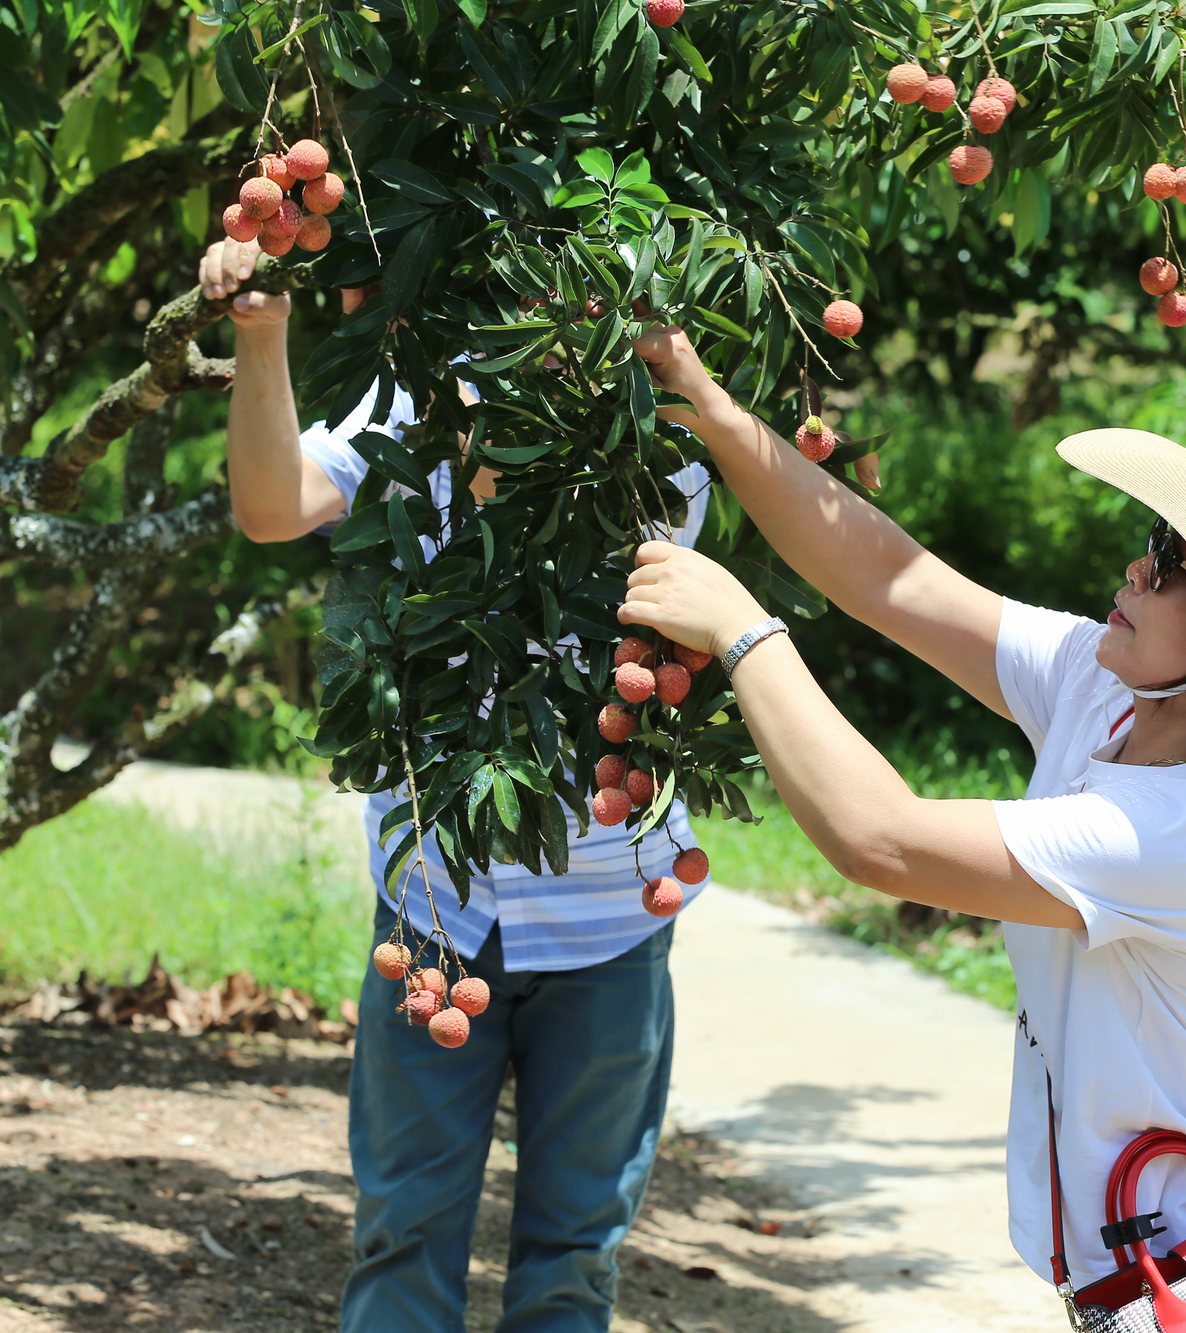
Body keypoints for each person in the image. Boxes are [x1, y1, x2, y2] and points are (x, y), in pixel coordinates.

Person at [618, 324, 1186, 1299]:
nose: (1137, 570)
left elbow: (879, 838)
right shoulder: (1109, 693)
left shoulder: (1181, 834)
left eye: (1176, 564)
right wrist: (705, 402)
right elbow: (893, 578)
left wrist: (745, 633)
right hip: (1168, 1282)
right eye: (1154, 544)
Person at [198, 239, 714, 1332]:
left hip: (607, 922)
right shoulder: (410, 406)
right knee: (401, 1234)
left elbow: (609, 566)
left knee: (575, 1255)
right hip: (435, 908)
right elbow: (270, 505)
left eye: (588, 314)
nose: (547, 330)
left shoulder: (659, 451)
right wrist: (261, 337)